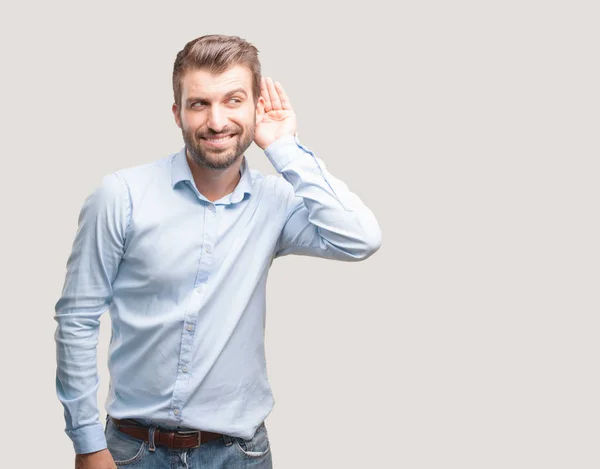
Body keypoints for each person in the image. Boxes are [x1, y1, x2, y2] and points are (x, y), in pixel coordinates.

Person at [54, 34, 382, 469]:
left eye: (233, 100)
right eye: (199, 104)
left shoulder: (276, 202)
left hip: (238, 455)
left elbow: (359, 238)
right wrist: (87, 442)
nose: (216, 120)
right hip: (131, 452)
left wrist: (283, 147)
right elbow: (77, 318)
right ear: (177, 113)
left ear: (255, 108)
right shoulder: (121, 195)